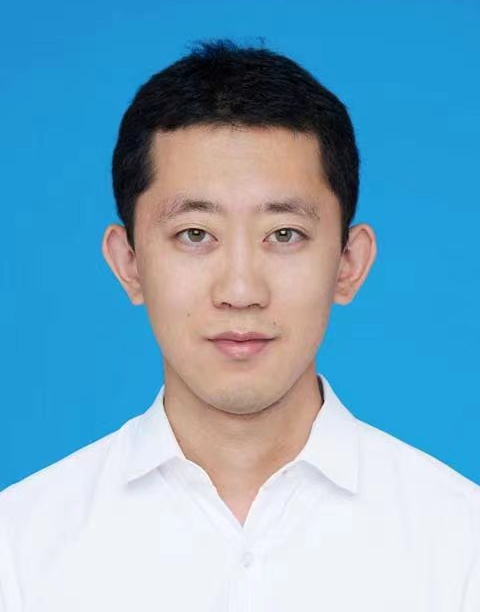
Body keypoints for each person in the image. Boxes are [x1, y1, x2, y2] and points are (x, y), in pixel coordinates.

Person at [0, 39, 478, 612]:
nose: (241, 291)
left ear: (348, 264)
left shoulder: (460, 545)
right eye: (195, 234)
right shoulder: (20, 548)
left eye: (284, 234)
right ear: (128, 263)